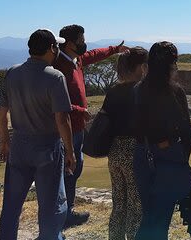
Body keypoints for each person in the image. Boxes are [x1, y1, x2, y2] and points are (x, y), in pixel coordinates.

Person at [0, 29, 76, 240]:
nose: (58, 49)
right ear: (51, 48)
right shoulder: (55, 76)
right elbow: (62, 119)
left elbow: (1, 114)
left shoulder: (13, 72)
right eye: (56, 46)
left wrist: (5, 141)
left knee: (11, 204)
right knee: (51, 204)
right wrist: (70, 151)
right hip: (47, 147)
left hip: (19, 145)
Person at [52, 24, 128, 228]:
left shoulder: (77, 60)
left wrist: (114, 49)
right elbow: (56, 102)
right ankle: (63, 213)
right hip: (66, 126)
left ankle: (66, 210)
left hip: (77, 127)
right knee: (68, 169)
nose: (84, 43)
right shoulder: (59, 66)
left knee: (74, 168)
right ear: (69, 44)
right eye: (81, 39)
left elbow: (95, 54)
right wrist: (79, 110)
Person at [133, 42, 191, 240]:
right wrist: (181, 159)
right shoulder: (174, 92)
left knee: (150, 214)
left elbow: (135, 126)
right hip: (168, 157)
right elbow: (187, 132)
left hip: (142, 154)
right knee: (161, 218)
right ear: (172, 64)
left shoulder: (138, 89)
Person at [102, 47, 148, 240]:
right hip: (134, 150)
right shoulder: (142, 90)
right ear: (140, 67)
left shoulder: (113, 91)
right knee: (136, 206)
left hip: (115, 151)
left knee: (119, 203)